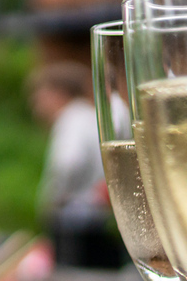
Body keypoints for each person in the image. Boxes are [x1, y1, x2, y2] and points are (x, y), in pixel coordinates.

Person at [29, 61, 121, 268]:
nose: (36, 103)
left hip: (74, 219)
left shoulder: (71, 118)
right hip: (96, 217)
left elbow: (69, 162)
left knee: (72, 274)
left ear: (58, 93)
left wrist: (53, 197)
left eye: (41, 95)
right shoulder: (89, 117)